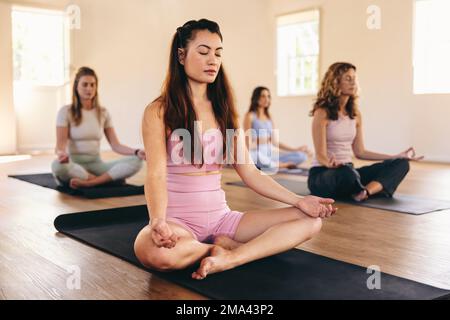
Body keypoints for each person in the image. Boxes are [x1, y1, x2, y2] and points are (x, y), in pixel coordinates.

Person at [134, 19, 336, 280]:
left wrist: (299, 201)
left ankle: (232, 257)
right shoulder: (158, 111)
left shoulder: (225, 111)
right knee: (152, 252)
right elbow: (156, 175)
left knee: (310, 221)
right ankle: (216, 249)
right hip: (178, 223)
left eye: (218, 53)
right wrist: (157, 221)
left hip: (223, 220)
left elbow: (250, 173)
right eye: (204, 52)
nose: (213, 60)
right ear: (181, 56)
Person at [308, 62, 423, 201]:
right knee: (347, 173)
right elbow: (320, 155)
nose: (353, 83)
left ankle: (365, 192)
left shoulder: (355, 114)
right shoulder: (322, 112)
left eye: (354, 78)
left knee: (401, 164)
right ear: (335, 82)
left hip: (348, 171)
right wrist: (330, 164)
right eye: (348, 78)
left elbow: (360, 152)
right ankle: (368, 188)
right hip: (324, 174)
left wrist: (396, 156)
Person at [51, 67, 145, 189]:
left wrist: (137, 152)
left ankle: (91, 182)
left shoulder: (103, 113)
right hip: (74, 166)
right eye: (85, 85)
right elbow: (60, 146)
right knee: (57, 166)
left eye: (92, 85)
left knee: (136, 161)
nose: (89, 88)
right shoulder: (65, 112)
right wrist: (61, 154)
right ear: (76, 86)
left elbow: (116, 145)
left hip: (97, 165)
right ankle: (105, 180)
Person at [243, 86, 311, 171]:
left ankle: (275, 164)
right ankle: (281, 165)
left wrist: (295, 149)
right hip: (256, 153)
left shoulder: (269, 117)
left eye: (268, 96)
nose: (266, 99)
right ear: (256, 98)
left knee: (301, 156)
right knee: (255, 156)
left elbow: (275, 142)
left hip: (270, 155)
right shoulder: (250, 116)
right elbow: (248, 144)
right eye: (263, 96)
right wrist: (263, 140)